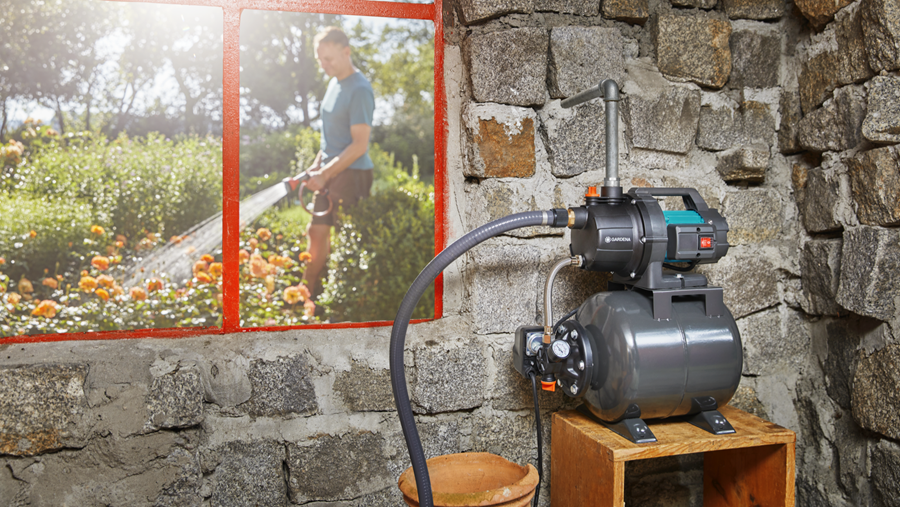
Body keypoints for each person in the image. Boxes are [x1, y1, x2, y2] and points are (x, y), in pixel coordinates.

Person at [302, 26, 375, 299]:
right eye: (320, 59)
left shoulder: (360, 89)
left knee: (348, 239)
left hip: (352, 175)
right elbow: (330, 137)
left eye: (329, 58)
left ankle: (347, 299)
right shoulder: (334, 83)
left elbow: (359, 145)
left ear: (347, 52)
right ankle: (306, 296)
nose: (324, 64)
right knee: (316, 232)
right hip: (329, 172)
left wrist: (325, 173)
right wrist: (316, 166)